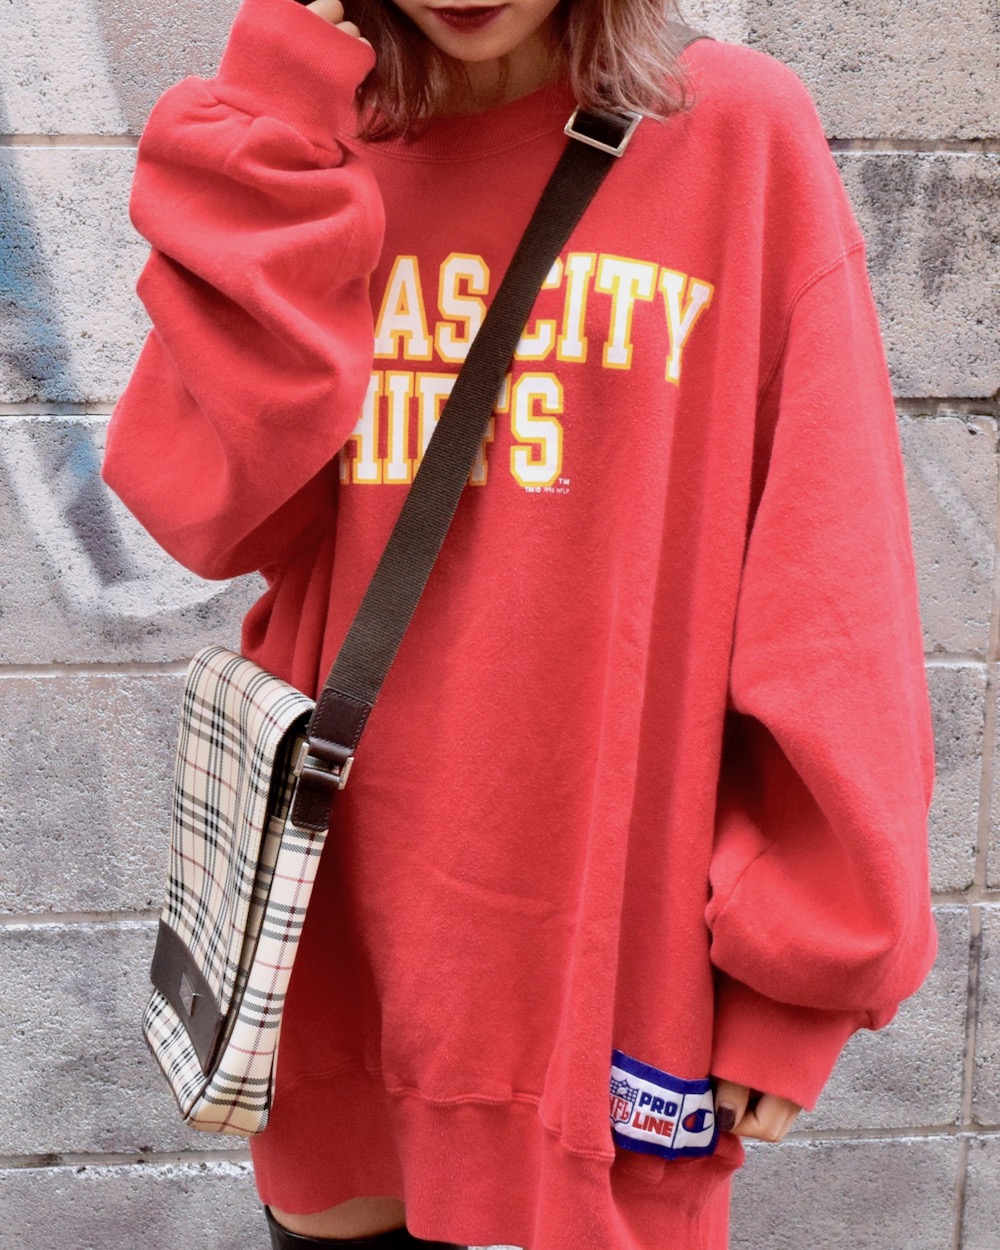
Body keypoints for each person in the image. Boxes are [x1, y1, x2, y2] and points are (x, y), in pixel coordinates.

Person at [102, 0, 939, 1246]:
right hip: (336, 938)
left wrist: (801, 973)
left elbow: (830, 584)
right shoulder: (314, 146)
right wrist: (271, 128)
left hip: (612, 953)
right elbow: (202, 508)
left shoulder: (733, 134)